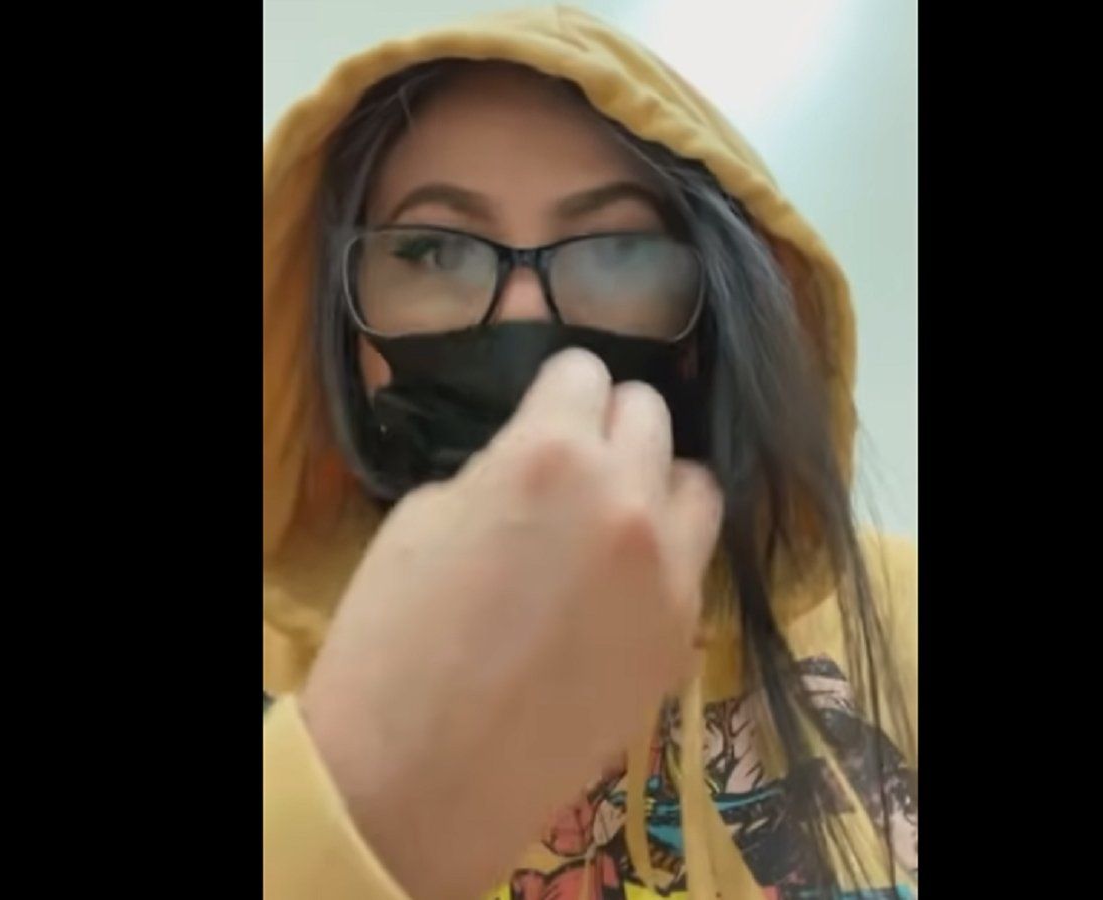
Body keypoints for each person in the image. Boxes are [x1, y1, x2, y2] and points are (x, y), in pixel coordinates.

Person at [263, 6, 917, 899]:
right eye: (431, 250)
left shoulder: (898, 609)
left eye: (618, 250)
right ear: (340, 328)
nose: (525, 313)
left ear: (707, 319)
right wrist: (361, 807)